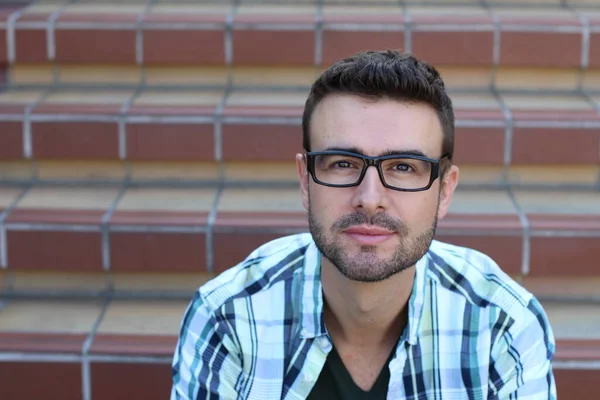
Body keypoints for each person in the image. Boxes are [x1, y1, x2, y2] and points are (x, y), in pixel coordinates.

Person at [171, 50, 556, 399]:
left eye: (403, 167)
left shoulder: (501, 325)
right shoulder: (228, 317)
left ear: (444, 191)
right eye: (342, 163)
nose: (370, 197)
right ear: (306, 181)